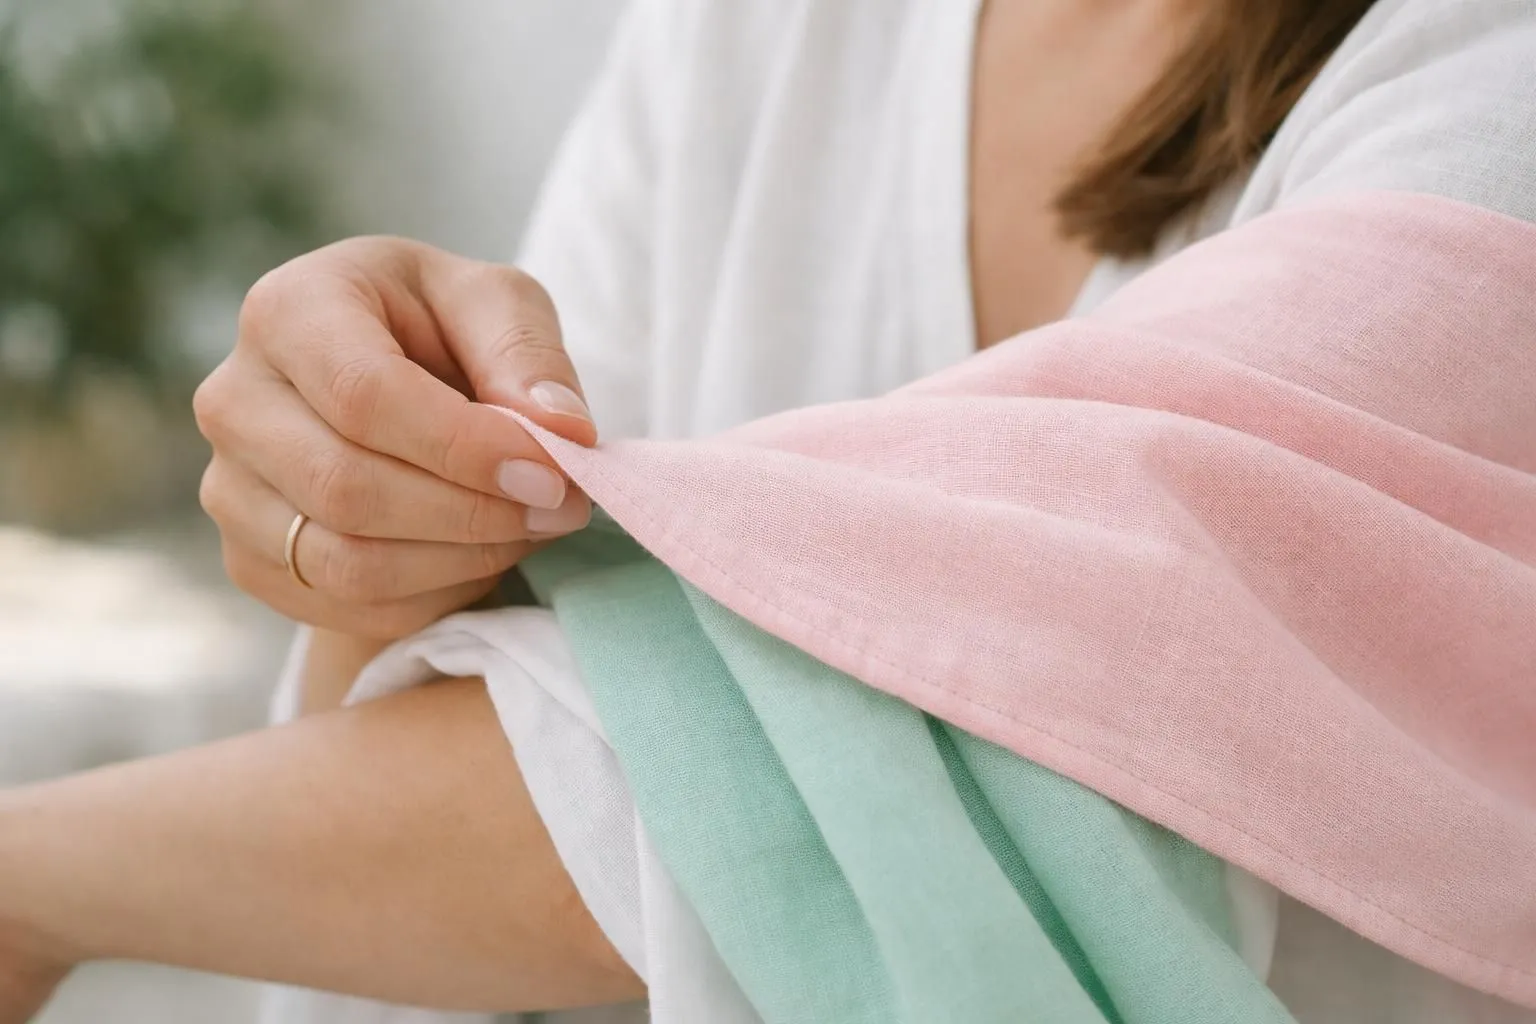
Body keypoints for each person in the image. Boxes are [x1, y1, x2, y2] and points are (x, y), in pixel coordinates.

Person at [2, 0, 1534, 1021]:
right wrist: (380, 496)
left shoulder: (1487, 88)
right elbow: (509, 684)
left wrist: (40, 878)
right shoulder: (764, 32)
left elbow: (894, 737)